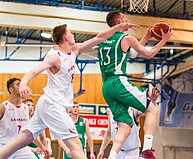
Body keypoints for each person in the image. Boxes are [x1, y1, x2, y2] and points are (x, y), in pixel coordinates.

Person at [0, 22, 138, 159]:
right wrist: (23, 83)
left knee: (23, 139)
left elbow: (100, 38)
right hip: (53, 104)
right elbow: (34, 71)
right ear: (65, 37)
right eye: (70, 33)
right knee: (76, 144)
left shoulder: (74, 50)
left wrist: (117, 28)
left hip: (46, 103)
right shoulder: (55, 57)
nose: (73, 35)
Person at [97, 10, 172, 159]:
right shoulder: (126, 37)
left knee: (124, 125)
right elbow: (148, 54)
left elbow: (131, 53)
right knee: (152, 110)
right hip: (119, 82)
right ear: (119, 22)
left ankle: (112, 156)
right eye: (124, 18)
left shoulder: (103, 39)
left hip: (106, 86)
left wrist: (146, 37)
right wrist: (164, 40)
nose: (126, 20)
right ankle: (146, 150)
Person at [0, 78, 44, 159]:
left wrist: (42, 147)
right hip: (4, 146)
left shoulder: (26, 109)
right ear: (11, 89)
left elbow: (29, 133)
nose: (22, 86)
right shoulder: (3, 107)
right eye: (18, 84)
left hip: (20, 148)